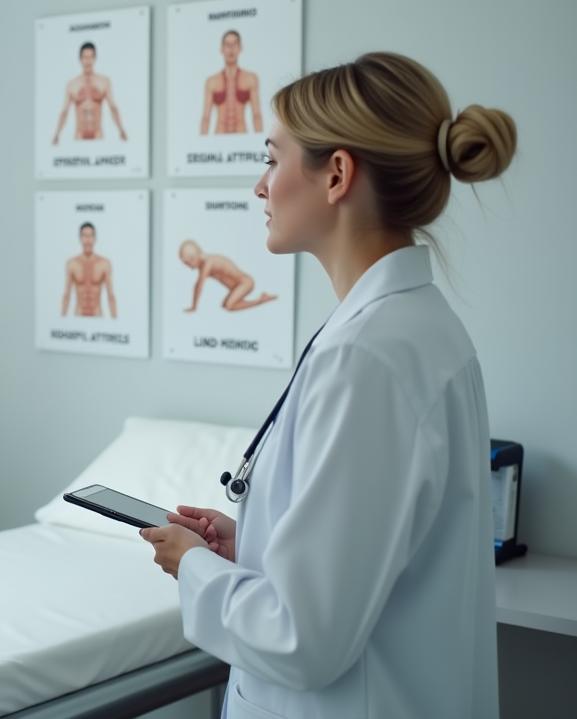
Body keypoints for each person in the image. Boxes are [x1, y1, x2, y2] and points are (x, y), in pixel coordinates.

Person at [143, 52, 516, 718]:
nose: (261, 187)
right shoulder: (419, 329)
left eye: (272, 159)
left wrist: (193, 566)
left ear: (337, 174)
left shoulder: (368, 357)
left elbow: (303, 637)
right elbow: (366, 555)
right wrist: (248, 542)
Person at [52, 42, 129, 144]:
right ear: (80, 59)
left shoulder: (104, 81)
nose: (88, 61)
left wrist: (121, 129)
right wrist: (57, 134)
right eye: (85, 57)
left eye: (90, 57)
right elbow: (64, 112)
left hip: (98, 135)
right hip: (79, 137)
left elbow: (113, 108)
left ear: (95, 58)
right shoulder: (72, 84)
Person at [178, 239, 277, 313]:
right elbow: (197, 285)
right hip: (237, 287)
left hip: (245, 283)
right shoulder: (203, 265)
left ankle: (261, 300)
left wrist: (194, 307)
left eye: (188, 263)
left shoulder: (208, 262)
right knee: (224, 305)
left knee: (230, 306)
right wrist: (194, 306)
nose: (189, 267)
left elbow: (199, 284)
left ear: (194, 257)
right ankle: (244, 299)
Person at [199, 30, 263, 136]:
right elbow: (206, 117)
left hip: (241, 137)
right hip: (219, 138)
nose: (231, 49)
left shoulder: (250, 78)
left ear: (240, 48)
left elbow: (256, 115)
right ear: (222, 49)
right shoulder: (212, 82)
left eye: (234, 44)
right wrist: (201, 146)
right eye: (227, 45)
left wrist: (261, 144)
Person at [62, 222, 117, 318]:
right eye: (85, 236)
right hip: (79, 316)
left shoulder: (104, 264)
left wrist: (116, 321)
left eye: (90, 236)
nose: (88, 239)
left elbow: (110, 296)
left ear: (95, 238)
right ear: (80, 238)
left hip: (97, 316)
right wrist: (61, 321)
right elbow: (67, 295)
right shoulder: (72, 264)